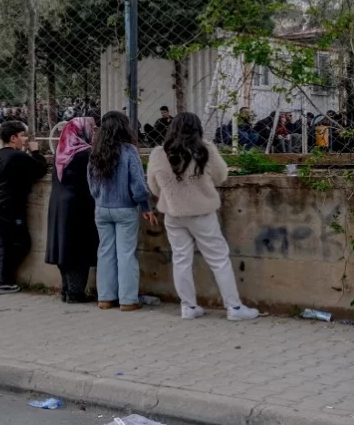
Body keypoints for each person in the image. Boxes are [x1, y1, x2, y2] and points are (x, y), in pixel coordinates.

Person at [147, 113, 259, 321]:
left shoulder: (159, 154)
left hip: (173, 213)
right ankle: (234, 307)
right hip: (201, 213)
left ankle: (188, 306)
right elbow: (221, 175)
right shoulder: (205, 149)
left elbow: (154, 187)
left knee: (181, 259)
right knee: (218, 258)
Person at [87, 112, 155, 311]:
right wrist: (145, 207)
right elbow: (138, 184)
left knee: (105, 253)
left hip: (101, 209)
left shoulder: (94, 152)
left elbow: (91, 183)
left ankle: (105, 298)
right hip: (125, 209)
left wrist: (99, 198)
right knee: (125, 254)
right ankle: (128, 300)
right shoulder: (129, 151)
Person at [0, 121, 47, 295]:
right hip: (9, 208)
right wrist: (36, 151)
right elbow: (40, 169)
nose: (24, 139)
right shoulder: (17, 157)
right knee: (20, 243)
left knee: (1, 243)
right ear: (13, 137)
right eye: (22, 136)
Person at [45, 116, 98, 304]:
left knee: (64, 247)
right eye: (91, 129)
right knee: (79, 248)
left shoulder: (61, 153)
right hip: (78, 206)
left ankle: (67, 289)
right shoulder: (86, 153)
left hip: (58, 205)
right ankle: (76, 292)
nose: (93, 132)